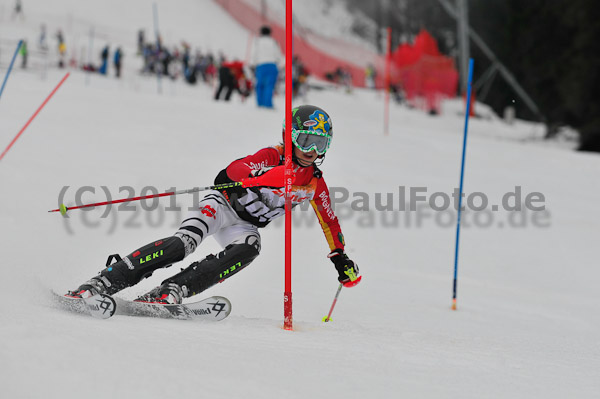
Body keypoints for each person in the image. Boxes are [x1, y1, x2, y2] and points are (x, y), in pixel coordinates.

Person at [65, 105, 361, 304]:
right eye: (306, 140)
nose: (311, 150)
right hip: (222, 205)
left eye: (320, 144)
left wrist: (340, 257)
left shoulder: (313, 183)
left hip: (245, 225)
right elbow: (229, 173)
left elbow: (329, 220)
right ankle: (106, 280)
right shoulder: (273, 155)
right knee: (184, 244)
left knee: (250, 248)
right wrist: (270, 176)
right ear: (290, 137)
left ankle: (175, 288)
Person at [252, 25, 282, 108]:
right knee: (269, 85)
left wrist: (253, 64)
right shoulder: (274, 42)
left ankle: (260, 103)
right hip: (272, 65)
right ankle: (268, 104)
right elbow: (278, 56)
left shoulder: (257, 41)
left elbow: (254, 54)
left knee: (260, 85)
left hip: (261, 65)